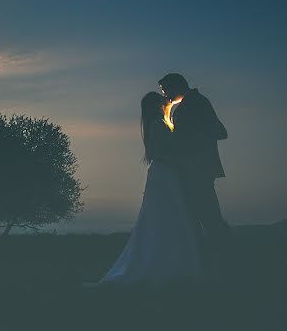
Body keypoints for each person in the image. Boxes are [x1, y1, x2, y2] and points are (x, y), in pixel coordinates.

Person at [84, 92, 202, 287]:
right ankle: (165, 265)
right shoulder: (157, 125)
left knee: (168, 215)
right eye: (162, 99)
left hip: (164, 174)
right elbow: (158, 153)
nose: (167, 100)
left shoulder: (158, 123)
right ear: (157, 105)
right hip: (165, 174)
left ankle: (169, 262)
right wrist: (181, 162)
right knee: (167, 215)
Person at [157, 73, 231, 262]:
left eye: (166, 90)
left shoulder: (197, 103)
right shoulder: (189, 104)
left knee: (207, 216)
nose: (165, 95)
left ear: (176, 86)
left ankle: (221, 257)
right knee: (196, 216)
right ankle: (206, 257)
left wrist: (188, 142)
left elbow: (220, 132)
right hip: (192, 169)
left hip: (198, 169)